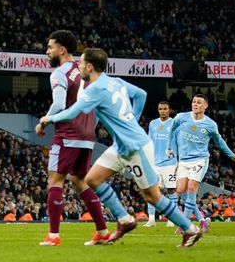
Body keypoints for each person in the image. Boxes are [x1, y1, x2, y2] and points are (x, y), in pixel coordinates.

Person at [39, 48, 203, 247]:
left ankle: (190, 229)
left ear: (89, 67)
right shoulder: (114, 81)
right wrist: (132, 118)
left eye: (81, 63)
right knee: (92, 179)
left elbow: (72, 113)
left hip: (136, 147)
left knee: (152, 196)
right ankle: (124, 219)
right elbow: (141, 94)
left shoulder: (95, 89)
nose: (79, 66)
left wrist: (48, 119)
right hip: (121, 146)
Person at [35, 30, 108, 246]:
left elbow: (58, 104)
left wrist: (44, 121)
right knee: (79, 181)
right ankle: (102, 231)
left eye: (50, 47)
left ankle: (53, 236)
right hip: (87, 136)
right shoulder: (86, 69)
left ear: (62, 49)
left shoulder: (60, 73)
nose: (47, 51)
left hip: (67, 134)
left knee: (55, 180)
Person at [167, 94, 235, 233]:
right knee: (181, 190)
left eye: (199, 102)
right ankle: (202, 220)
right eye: (194, 101)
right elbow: (171, 130)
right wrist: (169, 148)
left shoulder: (210, 124)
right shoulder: (181, 117)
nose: (195, 104)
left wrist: (231, 155)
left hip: (200, 159)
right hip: (183, 161)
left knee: (191, 188)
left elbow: (219, 141)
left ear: (205, 106)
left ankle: (184, 224)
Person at [144, 101, 179, 227]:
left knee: (171, 190)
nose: (162, 111)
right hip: (155, 163)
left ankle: (172, 218)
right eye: (160, 109)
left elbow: (179, 142)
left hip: (170, 163)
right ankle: (151, 219)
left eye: (165, 109)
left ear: (169, 110)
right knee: (153, 190)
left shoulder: (175, 123)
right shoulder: (153, 124)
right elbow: (149, 141)